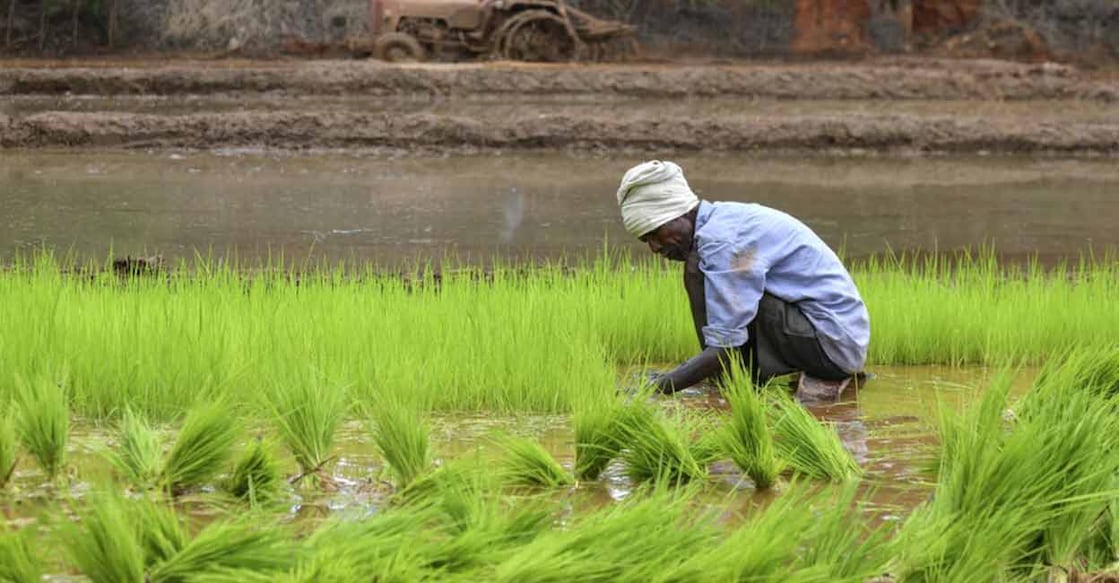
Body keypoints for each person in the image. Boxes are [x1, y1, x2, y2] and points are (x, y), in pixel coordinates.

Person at [616, 160, 870, 403]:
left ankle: (726, 373)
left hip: (833, 347)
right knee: (697, 271)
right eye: (645, 240)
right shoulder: (721, 223)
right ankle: (726, 374)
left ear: (680, 214)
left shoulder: (722, 242)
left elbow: (726, 347)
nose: (655, 247)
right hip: (830, 339)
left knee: (707, 281)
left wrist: (658, 388)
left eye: (655, 234)